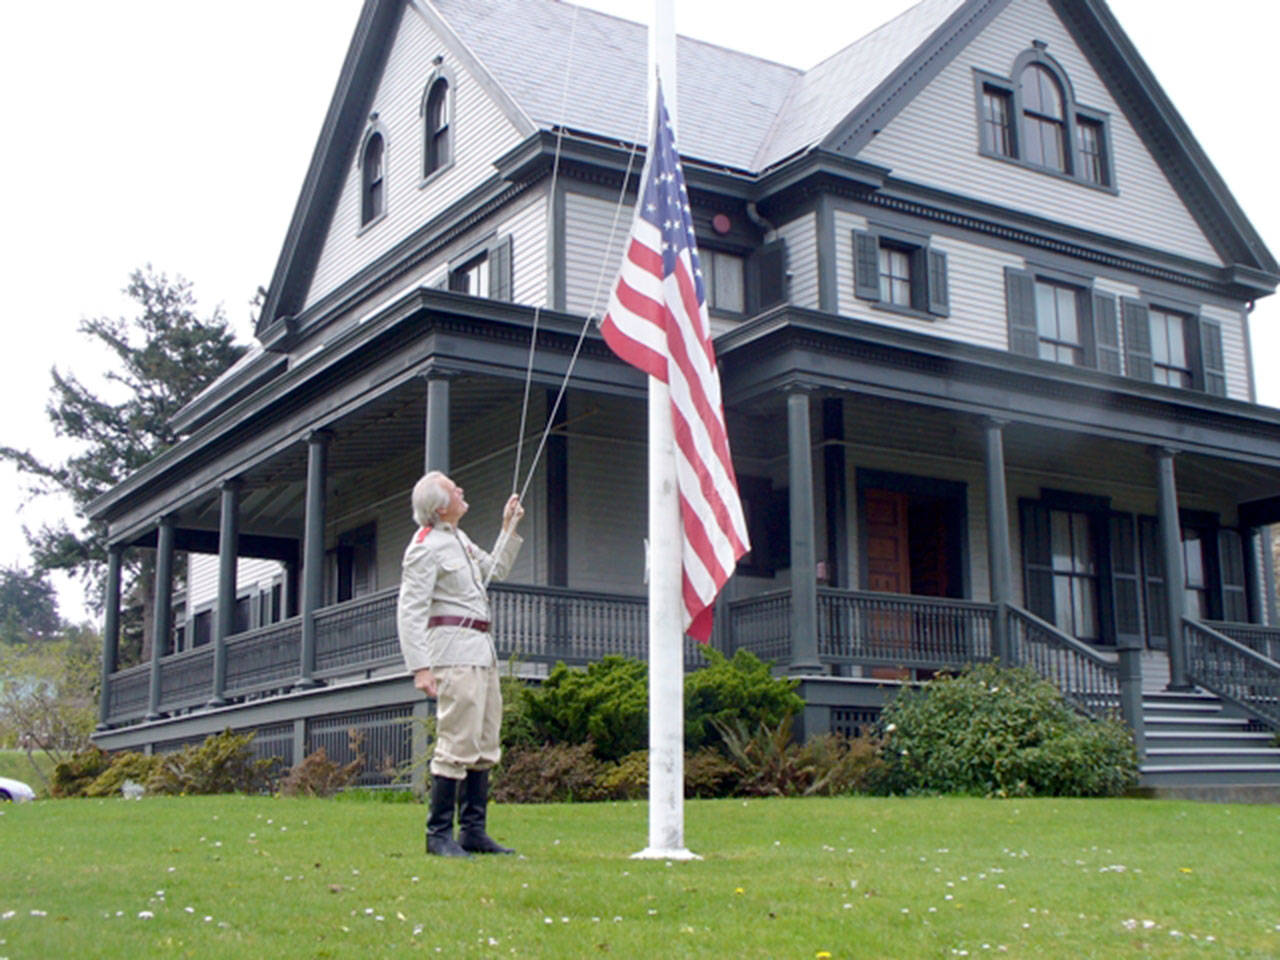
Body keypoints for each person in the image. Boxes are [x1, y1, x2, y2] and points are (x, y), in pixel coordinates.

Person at [396, 470, 524, 857]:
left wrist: (508, 528)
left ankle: (473, 832)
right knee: (455, 742)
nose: (462, 490)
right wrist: (420, 667)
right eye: (455, 489)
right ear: (440, 506)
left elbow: (494, 571)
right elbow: (410, 610)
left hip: (481, 652)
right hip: (452, 655)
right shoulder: (424, 547)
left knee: (484, 741)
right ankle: (438, 836)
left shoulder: (461, 540)